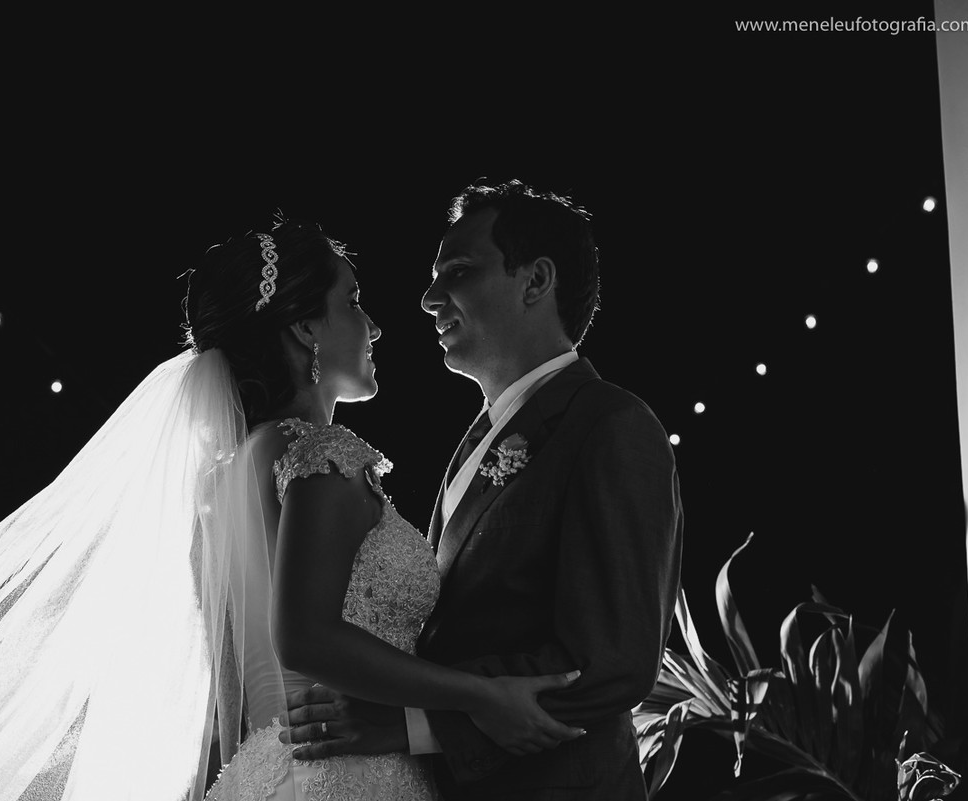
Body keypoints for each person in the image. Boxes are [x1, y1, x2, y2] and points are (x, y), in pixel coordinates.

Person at [0, 218, 579, 801]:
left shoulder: (225, 481)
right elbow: (306, 637)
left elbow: (231, 689)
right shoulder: (320, 456)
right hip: (350, 775)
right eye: (351, 301)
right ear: (304, 326)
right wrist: (479, 694)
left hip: (262, 772)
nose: (373, 325)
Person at [282, 181, 685, 800]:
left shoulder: (611, 425)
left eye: (459, 272)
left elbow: (610, 662)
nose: (428, 299)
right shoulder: (477, 440)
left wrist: (411, 725)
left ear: (535, 281)